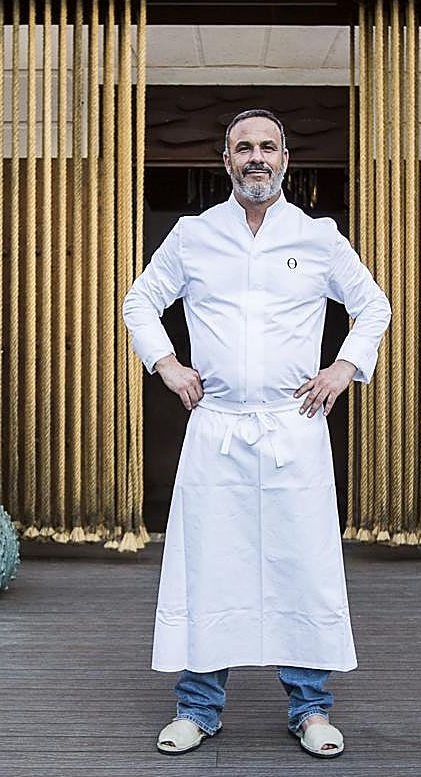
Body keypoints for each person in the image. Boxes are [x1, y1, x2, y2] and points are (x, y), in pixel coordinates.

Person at [121, 109, 390, 759]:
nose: (256, 157)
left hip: (294, 429)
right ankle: (197, 709)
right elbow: (139, 301)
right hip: (217, 429)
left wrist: (344, 368)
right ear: (227, 161)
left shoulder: (318, 236)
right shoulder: (194, 236)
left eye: (268, 146)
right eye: (244, 147)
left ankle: (310, 709)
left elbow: (372, 305)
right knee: (210, 566)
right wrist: (166, 364)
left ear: (285, 159)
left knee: (301, 567)